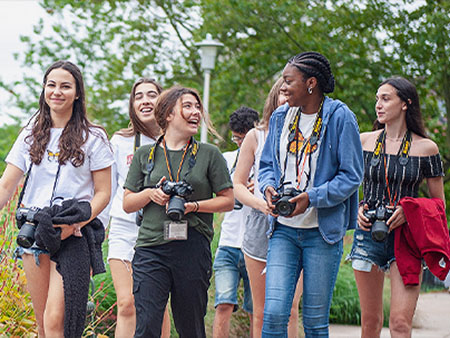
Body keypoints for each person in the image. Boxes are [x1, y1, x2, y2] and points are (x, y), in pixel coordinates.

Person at [0, 60, 113, 337]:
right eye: (51, 85)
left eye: (65, 86)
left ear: (77, 93)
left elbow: (104, 193)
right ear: (44, 90)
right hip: (35, 231)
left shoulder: (94, 137)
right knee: (42, 326)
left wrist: (77, 224)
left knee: (55, 321)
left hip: (73, 235)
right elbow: (6, 185)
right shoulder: (30, 134)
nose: (57, 92)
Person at [258, 51, 364, 337]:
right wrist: (268, 187)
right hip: (283, 231)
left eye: (288, 80)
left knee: (315, 322)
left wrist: (311, 198)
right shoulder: (281, 116)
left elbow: (352, 176)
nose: (282, 86)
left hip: (322, 232)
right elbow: (267, 165)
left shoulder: (340, 116)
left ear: (311, 83)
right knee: (274, 314)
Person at [123, 86, 234, 337]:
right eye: (188, 106)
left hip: (192, 247)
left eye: (197, 107)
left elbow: (228, 200)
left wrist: (194, 206)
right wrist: (151, 193)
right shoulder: (145, 154)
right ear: (168, 113)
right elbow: (128, 202)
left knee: (191, 328)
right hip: (151, 248)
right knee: (147, 326)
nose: (196, 112)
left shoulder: (209, 154)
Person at [347, 76, 445, 337]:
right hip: (368, 233)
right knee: (370, 322)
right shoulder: (363, 141)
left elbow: (439, 206)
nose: (378, 104)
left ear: (405, 103)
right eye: (377, 98)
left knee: (400, 324)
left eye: (386, 98)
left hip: (407, 238)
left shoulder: (427, 148)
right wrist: (355, 207)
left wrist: (410, 211)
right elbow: (345, 183)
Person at [233, 78, 304, 337]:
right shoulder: (256, 135)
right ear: (275, 98)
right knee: (260, 311)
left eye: (294, 95)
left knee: (290, 310)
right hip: (259, 227)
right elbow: (238, 185)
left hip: (299, 226)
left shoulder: (312, 135)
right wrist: (261, 204)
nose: (288, 101)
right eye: (284, 95)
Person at [104, 78, 171, 337]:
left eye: (151, 95)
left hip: (161, 230)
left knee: (158, 306)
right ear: (132, 104)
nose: (145, 100)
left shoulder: (175, 140)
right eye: (138, 96)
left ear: (162, 101)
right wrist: (95, 227)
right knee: (127, 303)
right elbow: (108, 189)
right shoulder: (120, 141)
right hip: (124, 227)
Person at [212, 106, 259, 338]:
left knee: (256, 311)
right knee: (223, 304)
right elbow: (214, 196)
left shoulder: (267, 162)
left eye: (244, 138)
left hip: (257, 246)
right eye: (237, 138)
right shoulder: (226, 159)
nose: (240, 143)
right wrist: (236, 188)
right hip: (228, 244)